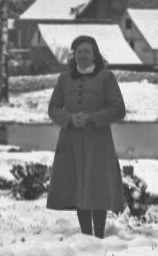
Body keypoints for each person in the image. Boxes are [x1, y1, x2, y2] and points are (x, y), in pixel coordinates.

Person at [46, 35, 126, 238]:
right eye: (79, 52)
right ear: (74, 55)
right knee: (77, 186)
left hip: (98, 141)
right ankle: (85, 235)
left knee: (97, 186)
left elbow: (118, 109)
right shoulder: (65, 78)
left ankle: (98, 235)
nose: (83, 55)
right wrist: (70, 119)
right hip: (70, 140)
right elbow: (54, 108)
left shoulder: (106, 77)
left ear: (95, 54)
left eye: (87, 51)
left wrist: (92, 118)